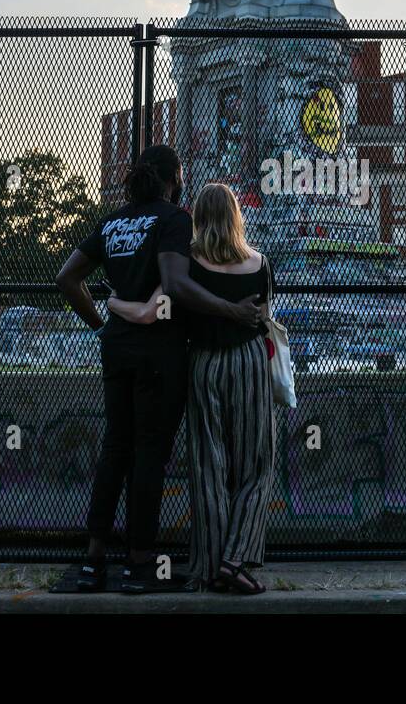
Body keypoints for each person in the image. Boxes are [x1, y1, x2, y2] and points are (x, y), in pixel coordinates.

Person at [55, 146, 261, 593]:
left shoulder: (113, 222)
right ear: (173, 179)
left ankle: (93, 561)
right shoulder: (172, 219)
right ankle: (139, 563)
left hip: (117, 348)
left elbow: (66, 278)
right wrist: (229, 308)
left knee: (115, 448)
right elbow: (173, 285)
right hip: (159, 352)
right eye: (182, 176)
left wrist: (101, 325)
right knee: (149, 453)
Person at [108, 182, 276, 595]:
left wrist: (113, 304)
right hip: (250, 362)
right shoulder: (260, 263)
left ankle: (208, 566)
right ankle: (236, 560)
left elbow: (150, 311)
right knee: (256, 466)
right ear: (237, 217)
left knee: (209, 467)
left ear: (198, 218)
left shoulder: (188, 264)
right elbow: (264, 320)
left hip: (202, 363)